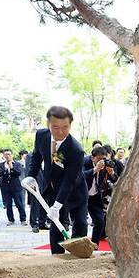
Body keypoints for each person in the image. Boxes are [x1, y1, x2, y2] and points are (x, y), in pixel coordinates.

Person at [23, 106, 88, 255]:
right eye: (55, 127)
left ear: (70, 125)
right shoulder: (41, 135)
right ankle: (57, 257)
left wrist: (57, 206)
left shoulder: (75, 149)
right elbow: (37, 156)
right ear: (48, 124)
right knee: (57, 224)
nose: (60, 132)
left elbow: (69, 181)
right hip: (52, 187)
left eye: (65, 127)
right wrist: (31, 175)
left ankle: (79, 255)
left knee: (80, 223)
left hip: (75, 190)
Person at [83, 146, 116, 247]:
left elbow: (116, 180)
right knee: (81, 223)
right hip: (81, 196)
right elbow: (80, 176)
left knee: (100, 221)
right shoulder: (84, 162)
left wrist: (112, 173)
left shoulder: (106, 165)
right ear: (93, 158)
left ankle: (94, 245)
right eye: (99, 159)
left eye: (104, 159)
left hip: (95, 197)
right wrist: (95, 169)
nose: (101, 161)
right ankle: (80, 246)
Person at [0, 149, 27, 226]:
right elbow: (0, 174)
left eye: (9, 154)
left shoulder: (17, 164)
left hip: (16, 187)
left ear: (12, 155)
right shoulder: (1, 165)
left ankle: (23, 219)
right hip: (6, 188)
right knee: (8, 205)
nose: (7, 156)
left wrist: (12, 168)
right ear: (3, 156)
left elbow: (18, 173)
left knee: (19, 204)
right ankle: (11, 219)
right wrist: (6, 170)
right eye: (6, 154)